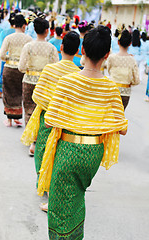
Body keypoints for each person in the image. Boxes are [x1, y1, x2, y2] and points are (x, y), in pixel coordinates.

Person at [37, 26, 128, 239]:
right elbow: (122, 128)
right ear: (107, 55)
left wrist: (74, 117)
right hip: (93, 153)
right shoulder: (110, 87)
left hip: (68, 149)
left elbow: (49, 121)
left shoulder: (68, 82)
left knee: (59, 204)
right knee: (77, 196)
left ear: (83, 51)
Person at [21, 31, 80, 195]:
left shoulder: (49, 69)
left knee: (42, 149)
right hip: (67, 121)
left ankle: (42, 181)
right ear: (77, 51)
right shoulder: (78, 74)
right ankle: (54, 182)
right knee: (60, 152)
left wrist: (51, 106)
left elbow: (37, 95)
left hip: (46, 117)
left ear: (61, 47)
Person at [18, 16, 59, 155]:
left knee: (29, 109)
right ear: (47, 31)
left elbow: (21, 67)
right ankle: (38, 140)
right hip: (45, 83)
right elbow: (55, 68)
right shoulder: (52, 49)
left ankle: (30, 138)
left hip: (29, 80)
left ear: (34, 30)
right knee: (41, 111)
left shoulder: (28, 46)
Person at [0, 14, 32, 127]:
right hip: (22, 70)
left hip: (9, 68)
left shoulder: (9, 38)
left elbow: (2, 55)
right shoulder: (28, 39)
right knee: (19, 93)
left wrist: (9, 58)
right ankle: (18, 117)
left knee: (8, 93)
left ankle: (9, 120)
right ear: (24, 26)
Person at [108, 29, 140, 110]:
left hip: (112, 91)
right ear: (130, 44)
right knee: (120, 116)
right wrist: (129, 82)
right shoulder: (132, 60)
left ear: (118, 42)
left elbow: (109, 71)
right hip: (125, 93)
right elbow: (136, 80)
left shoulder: (112, 58)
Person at [0, 12, 16, 98]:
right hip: (15, 58)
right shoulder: (19, 34)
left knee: (3, 74)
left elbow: (0, 46)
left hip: (6, 57)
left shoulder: (4, 33)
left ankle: (1, 92)